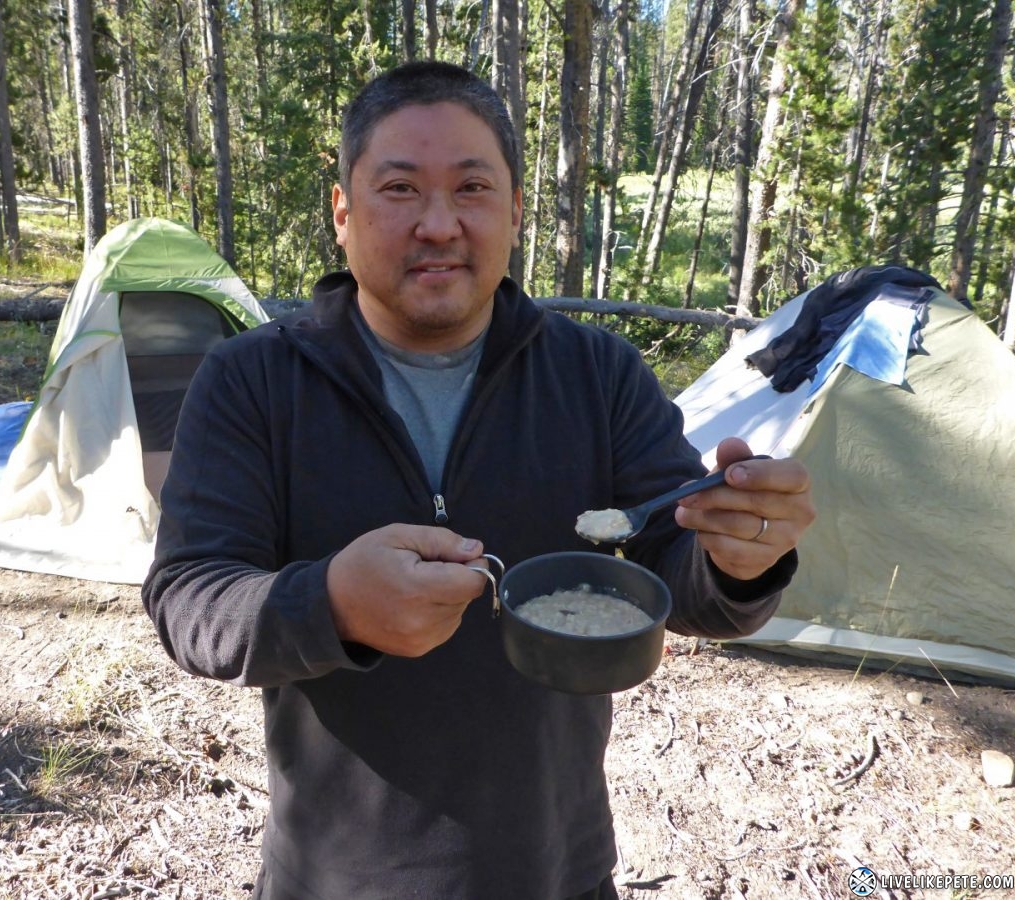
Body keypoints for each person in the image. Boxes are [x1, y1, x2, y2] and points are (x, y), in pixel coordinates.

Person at [142, 61, 815, 900]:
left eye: (471, 188)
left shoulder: (594, 373)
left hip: (556, 867)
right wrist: (333, 605)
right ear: (343, 216)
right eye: (398, 189)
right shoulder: (253, 382)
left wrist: (739, 560)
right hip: (338, 875)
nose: (437, 224)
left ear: (514, 212)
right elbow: (190, 597)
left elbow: (676, 572)